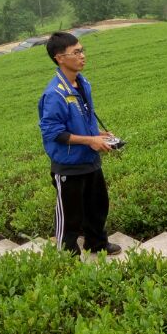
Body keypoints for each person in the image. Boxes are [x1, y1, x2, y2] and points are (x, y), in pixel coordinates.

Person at [38, 32, 121, 256]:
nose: (82, 56)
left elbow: (81, 119)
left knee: (97, 206)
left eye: (82, 50)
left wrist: (99, 134)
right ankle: (67, 256)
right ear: (59, 58)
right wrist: (90, 140)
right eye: (76, 52)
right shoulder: (55, 94)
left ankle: (96, 243)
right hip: (69, 164)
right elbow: (52, 131)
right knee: (70, 215)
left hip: (90, 159)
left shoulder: (82, 84)